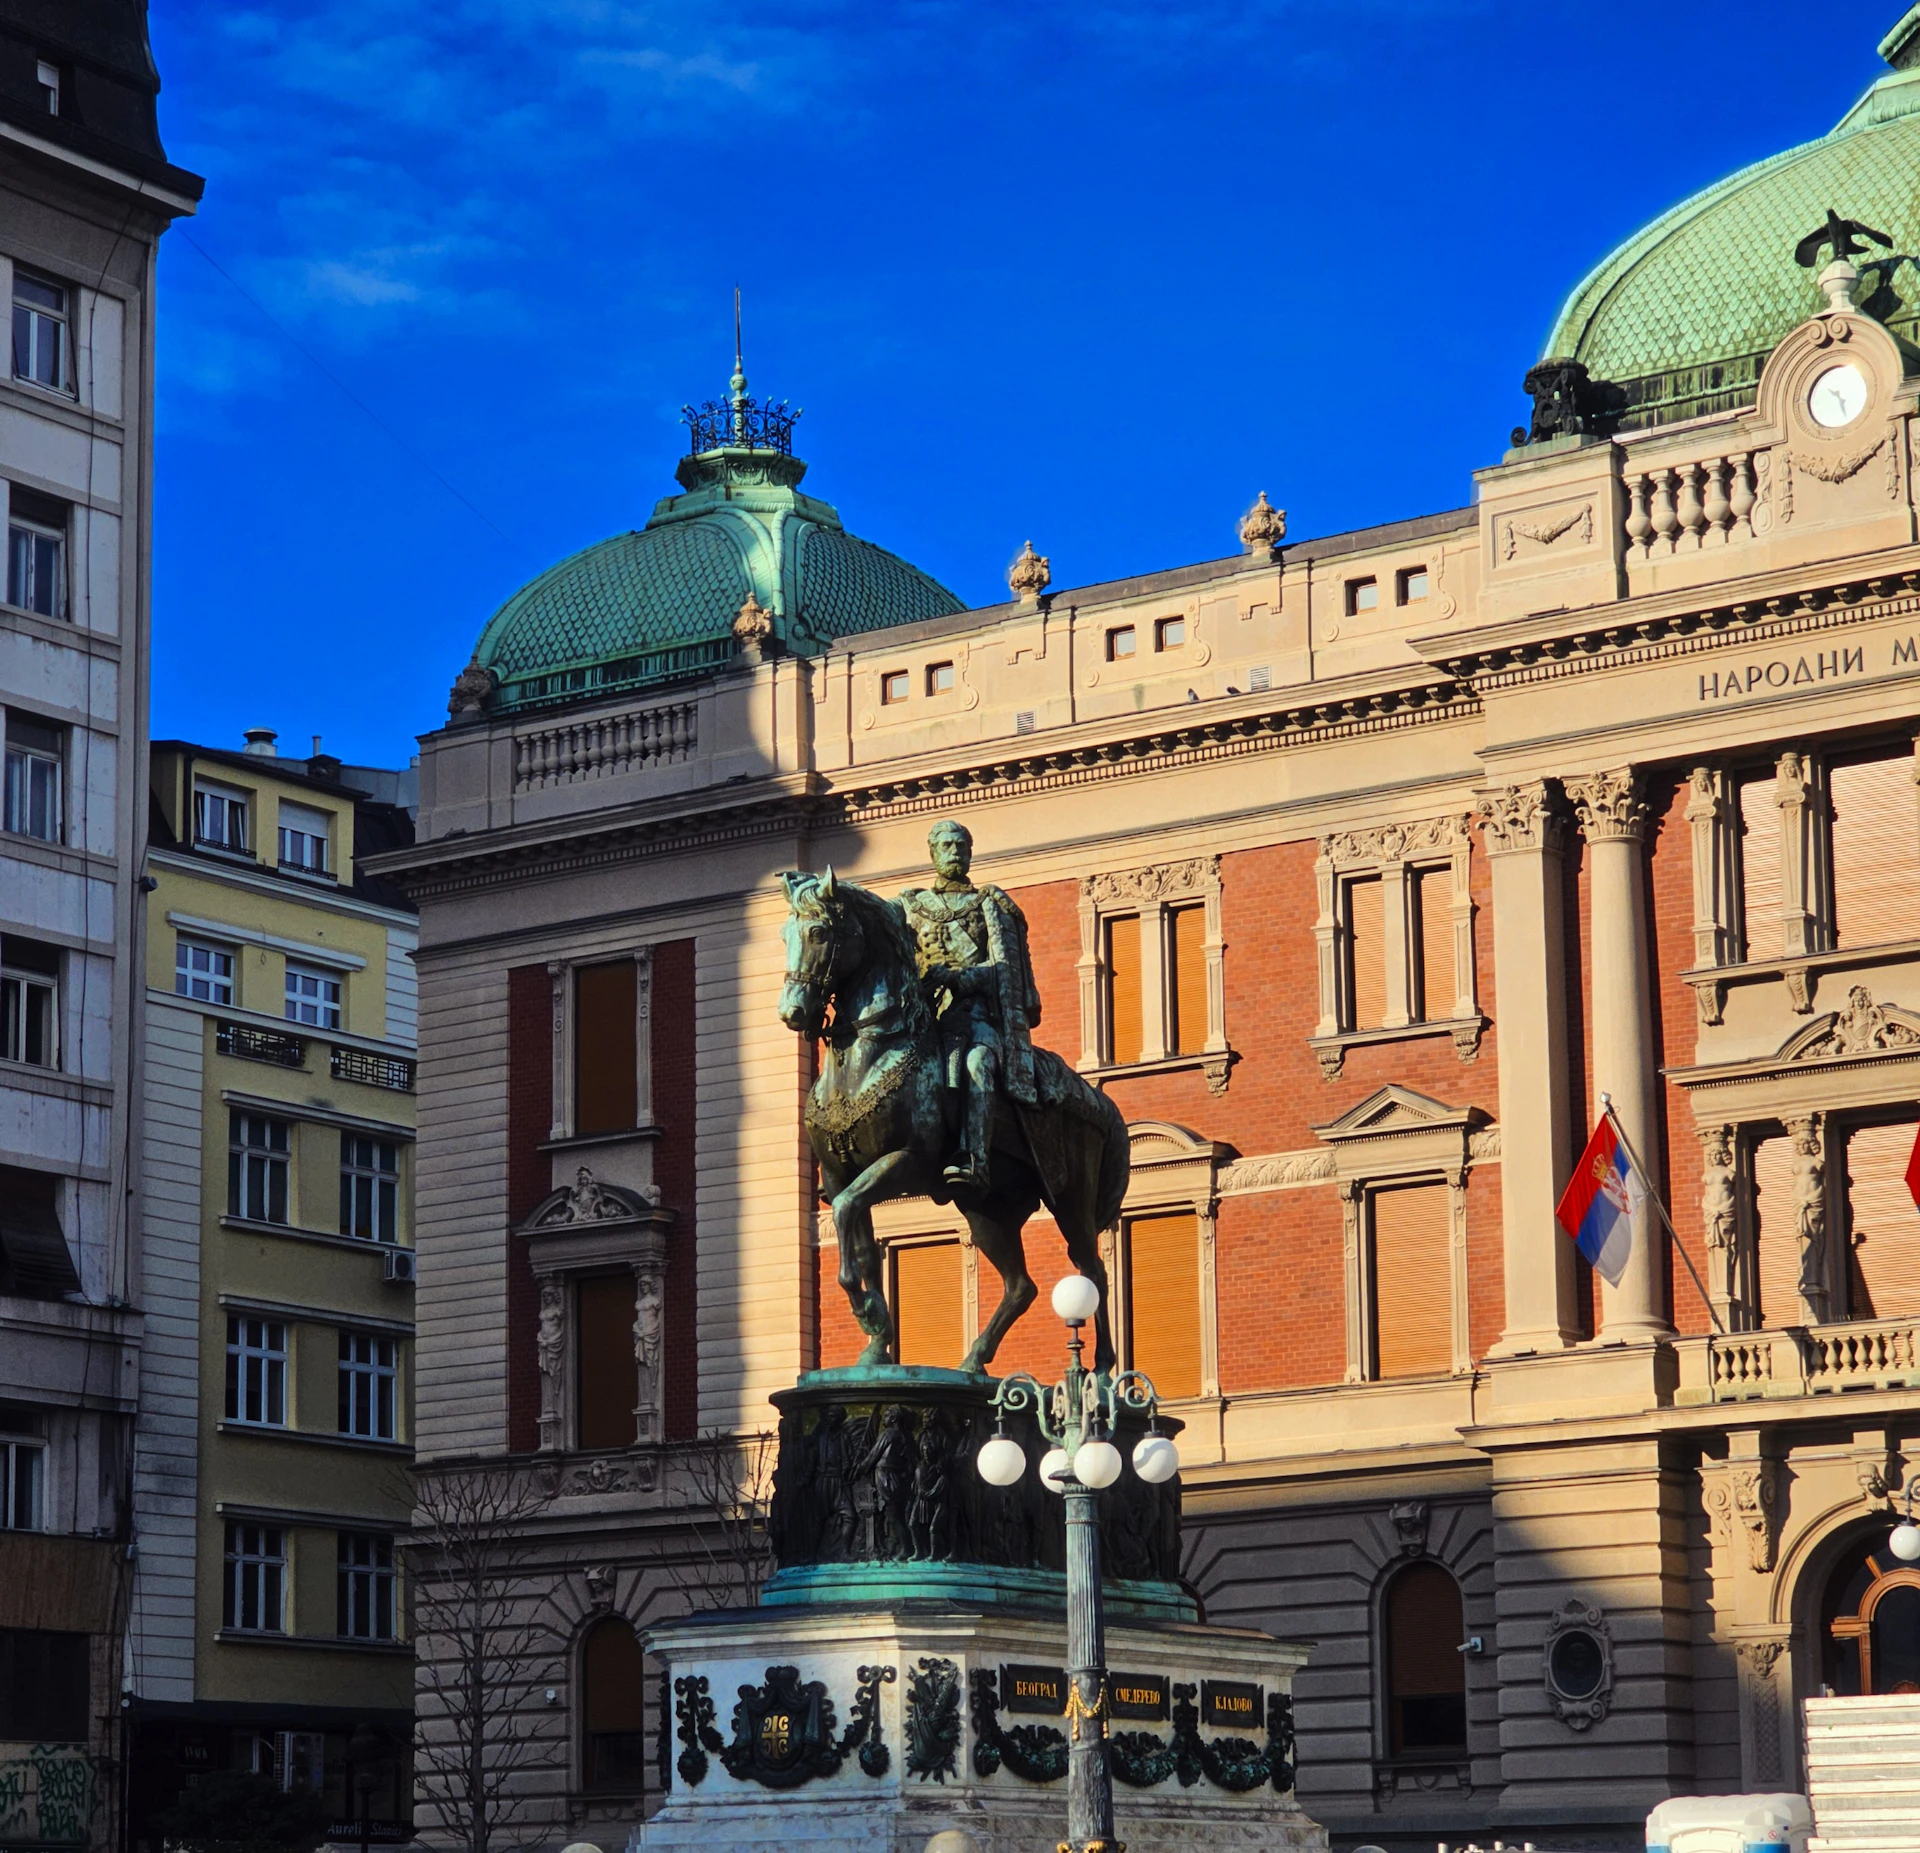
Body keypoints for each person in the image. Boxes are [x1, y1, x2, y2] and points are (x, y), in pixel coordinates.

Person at [898, 820, 1040, 1191]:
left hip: (975, 1015)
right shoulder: (910, 906)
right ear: (933, 853)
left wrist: (962, 979)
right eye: (946, 845)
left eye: (961, 845)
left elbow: (1004, 968)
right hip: (926, 1017)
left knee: (977, 1064)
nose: (954, 851)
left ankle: (973, 1159)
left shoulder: (988, 905)